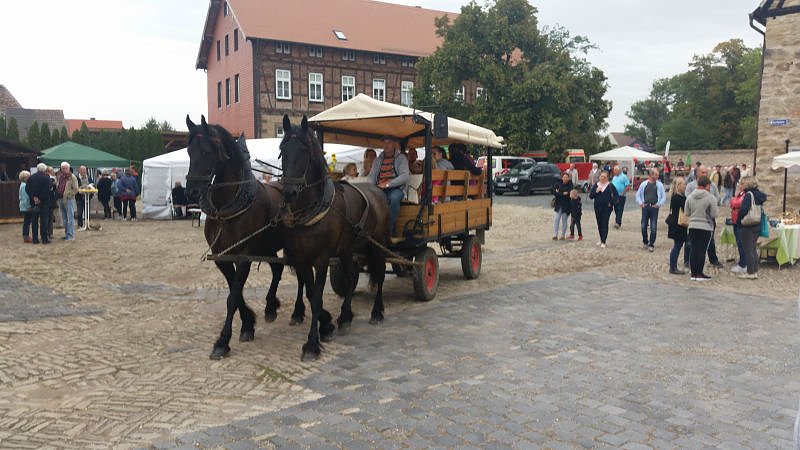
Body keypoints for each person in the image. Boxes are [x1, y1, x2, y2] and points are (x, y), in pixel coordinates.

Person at [368, 138, 409, 237]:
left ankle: (388, 228)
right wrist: (370, 188)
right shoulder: (377, 160)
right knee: (367, 200)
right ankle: (369, 228)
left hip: (396, 188)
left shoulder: (401, 158)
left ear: (394, 144)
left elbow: (404, 176)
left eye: (389, 142)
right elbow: (371, 177)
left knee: (393, 198)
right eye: (384, 142)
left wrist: (388, 184)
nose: (386, 145)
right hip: (379, 188)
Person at [685, 165, 724, 268]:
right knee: (691, 242)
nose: (705, 174)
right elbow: (687, 201)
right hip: (695, 218)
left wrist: (710, 205)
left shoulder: (713, 186)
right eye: (703, 172)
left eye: (706, 172)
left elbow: (717, 198)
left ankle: (713, 259)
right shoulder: (690, 186)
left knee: (710, 241)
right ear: (697, 173)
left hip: (709, 219)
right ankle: (687, 261)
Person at [685, 176, 718, 281]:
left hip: (693, 225)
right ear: (707, 185)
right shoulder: (710, 197)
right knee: (702, 250)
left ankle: (693, 273)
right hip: (705, 226)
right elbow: (714, 213)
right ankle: (699, 273)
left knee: (693, 249)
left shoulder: (690, 196)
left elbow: (687, 212)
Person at [736, 176, 767, 280]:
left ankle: (750, 272)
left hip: (748, 225)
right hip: (757, 224)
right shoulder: (759, 195)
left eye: (742, 183)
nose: (741, 185)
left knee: (748, 250)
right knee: (753, 249)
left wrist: (739, 220)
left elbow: (743, 210)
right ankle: (754, 270)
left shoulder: (749, 195)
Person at [635, 168, 666, 252]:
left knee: (653, 226)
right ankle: (645, 241)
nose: (657, 176)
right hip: (645, 207)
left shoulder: (659, 185)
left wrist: (659, 204)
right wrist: (641, 203)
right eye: (656, 174)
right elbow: (638, 195)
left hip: (654, 207)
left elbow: (663, 196)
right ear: (651, 175)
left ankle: (651, 243)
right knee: (643, 225)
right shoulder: (643, 184)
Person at [589, 171, 618, 248]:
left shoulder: (610, 186)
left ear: (607, 177)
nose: (602, 178)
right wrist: (596, 191)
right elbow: (591, 196)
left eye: (604, 177)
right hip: (597, 207)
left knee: (605, 223)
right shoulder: (596, 185)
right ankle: (601, 238)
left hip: (607, 208)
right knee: (599, 223)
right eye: (601, 176)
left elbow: (616, 197)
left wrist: (611, 203)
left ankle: (603, 241)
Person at [666, 177, 689, 274]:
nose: (685, 186)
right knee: (677, 246)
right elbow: (686, 209)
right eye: (683, 184)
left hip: (675, 224)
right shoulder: (679, 197)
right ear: (678, 186)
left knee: (678, 245)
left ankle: (674, 266)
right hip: (678, 225)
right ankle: (673, 267)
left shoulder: (675, 196)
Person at [26, 163, 52, 244]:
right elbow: (47, 190)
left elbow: (27, 189)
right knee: (44, 221)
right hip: (44, 202)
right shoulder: (47, 178)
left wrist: (33, 197)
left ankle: (35, 239)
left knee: (34, 221)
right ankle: (44, 239)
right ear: (44, 170)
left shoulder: (31, 177)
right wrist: (40, 198)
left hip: (34, 202)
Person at [55, 161, 79, 241]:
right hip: (60, 199)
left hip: (68, 199)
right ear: (61, 169)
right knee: (64, 218)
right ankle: (67, 234)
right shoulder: (60, 176)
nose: (64, 170)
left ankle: (71, 235)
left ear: (69, 168)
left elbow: (76, 189)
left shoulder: (72, 177)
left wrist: (69, 195)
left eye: (66, 168)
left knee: (70, 218)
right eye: (63, 168)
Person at [728, 181, 747, 274]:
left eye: (741, 183)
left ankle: (743, 264)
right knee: (739, 242)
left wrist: (733, 201)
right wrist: (733, 201)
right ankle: (742, 263)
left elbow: (736, 203)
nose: (739, 185)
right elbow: (732, 202)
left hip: (741, 222)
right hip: (735, 220)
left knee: (741, 243)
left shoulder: (746, 194)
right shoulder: (740, 194)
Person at [552, 172, 573, 240]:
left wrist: (560, 192)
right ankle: (555, 235)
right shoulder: (557, 184)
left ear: (568, 178)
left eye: (567, 177)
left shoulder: (570, 184)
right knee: (556, 219)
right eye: (564, 177)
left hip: (566, 206)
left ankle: (563, 235)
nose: (565, 178)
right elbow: (555, 193)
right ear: (562, 177)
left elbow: (569, 192)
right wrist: (562, 193)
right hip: (558, 205)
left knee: (564, 220)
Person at [19, 170, 32, 243]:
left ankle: (26, 236)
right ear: (25, 178)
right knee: (27, 222)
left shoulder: (23, 185)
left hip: (24, 206)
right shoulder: (24, 186)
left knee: (26, 221)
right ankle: (26, 236)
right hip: (25, 207)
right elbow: (25, 198)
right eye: (28, 176)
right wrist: (28, 206)